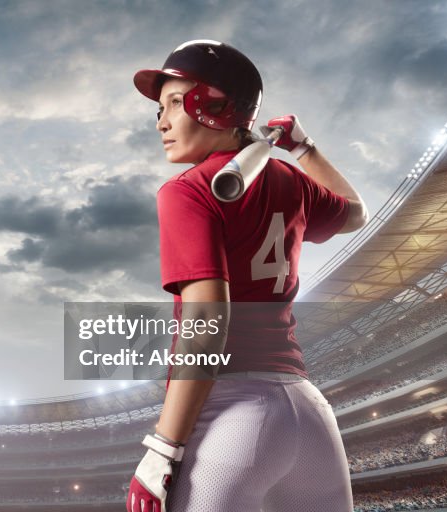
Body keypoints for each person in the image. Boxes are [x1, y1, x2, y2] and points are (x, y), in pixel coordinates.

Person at [125, 40, 369, 512]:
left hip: (232, 414)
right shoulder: (292, 179)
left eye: (176, 103)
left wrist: (163, 447)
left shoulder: (187, 192)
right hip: (308, 411)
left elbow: (207, 321)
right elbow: (355, 213)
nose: (161, 122)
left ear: (219, 106)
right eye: (160, 109)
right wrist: (304, 148)